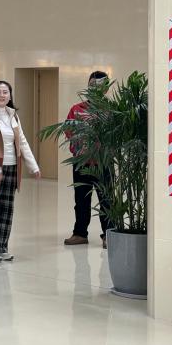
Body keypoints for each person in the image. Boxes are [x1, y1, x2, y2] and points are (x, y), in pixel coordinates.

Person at [0, 81, 41, 262]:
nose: (2, 95)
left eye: (5, 92)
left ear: (10, 96)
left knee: (6, 209)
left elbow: (22, 142)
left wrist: (33, 166)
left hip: (12, 167)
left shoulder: (12, 115)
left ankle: (1, 247)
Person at [64, 70, 113, 248]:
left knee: (106, 201)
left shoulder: (111, 109)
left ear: (106, 88)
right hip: (81, 162)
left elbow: (116, 135)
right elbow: (68, 130)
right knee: (81, 200)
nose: (95, 88)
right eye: (92, 85)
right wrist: (81, 143)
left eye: (100, 85)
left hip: (103, 163)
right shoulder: (76, 109)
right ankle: (80, 234)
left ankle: (109, 235)